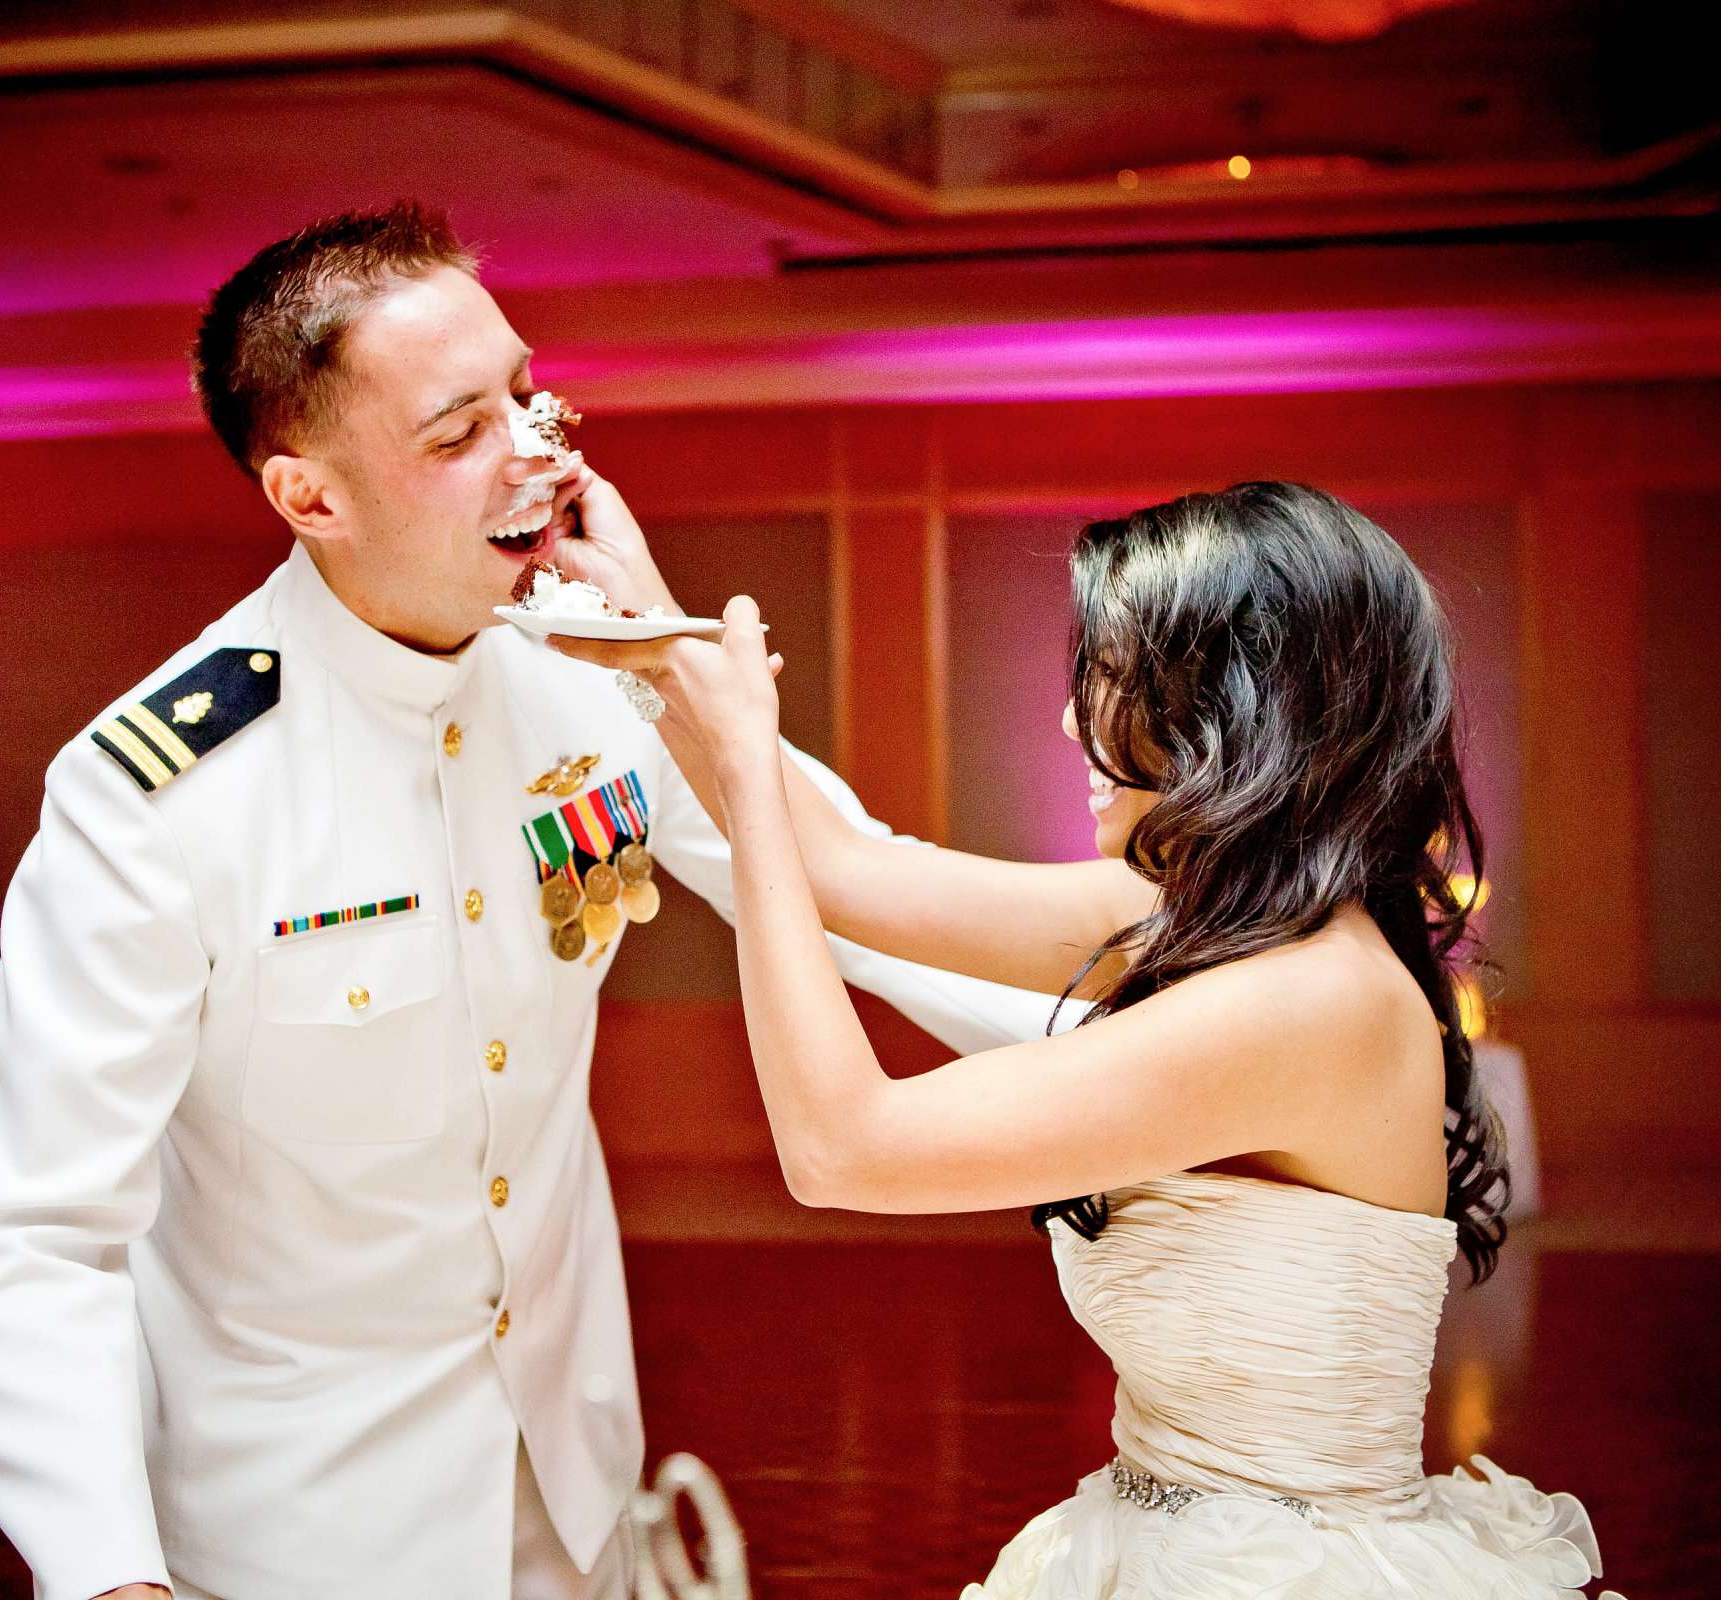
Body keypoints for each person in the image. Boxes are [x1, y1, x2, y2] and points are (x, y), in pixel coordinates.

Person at [0, 202, 1067, 1600]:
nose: (535, 451)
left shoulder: (591, 671)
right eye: (460, 432)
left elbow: (845, 889)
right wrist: (106, 1574)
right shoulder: (159, 792)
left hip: (571, 1475)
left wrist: (1158, 1062)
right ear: (310, 497)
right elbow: (33, 1232)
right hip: (305, 1524)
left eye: (527, 395)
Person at [555, 481, 1618, 1598]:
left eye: (1118, 684)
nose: (1071, 722)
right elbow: (846, 873)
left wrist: (740, 756)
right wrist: (653, 632)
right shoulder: (1217, 923)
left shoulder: (1313, 1001)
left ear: (1235, 712)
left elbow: (843, 1145)